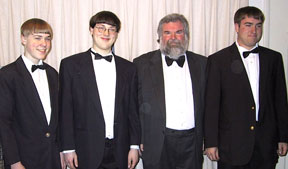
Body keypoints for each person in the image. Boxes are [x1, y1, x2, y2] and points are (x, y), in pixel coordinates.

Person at [204, 6, 288, 169]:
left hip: (265, 145)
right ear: (237, 27)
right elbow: (211, 105)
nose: (254, 30)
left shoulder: (274, 58)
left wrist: (283, 136)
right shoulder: (218, 60)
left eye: (258, 25)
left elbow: (280, 101)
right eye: (248, 25)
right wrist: (211, 142)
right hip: (231, 146)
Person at [59, 11, 141, 169]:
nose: (106, 33)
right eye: (101, 28)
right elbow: (66, 111)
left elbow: (133, 111)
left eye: (111, 29)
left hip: (120, 149)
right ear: (91, 30)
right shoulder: (70, 65)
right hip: (85, 148)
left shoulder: (129, 68)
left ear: (116, 33)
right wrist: (68, 148)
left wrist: (134, 146)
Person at [134, 13, 206, 169]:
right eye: (167, 32)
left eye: (178, 32)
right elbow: (135, 105)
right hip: (157, 141)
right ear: (159, 37)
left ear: (186, 36)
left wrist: (208, 139)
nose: (173, 37)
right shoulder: (141, 64)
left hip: (192, 142)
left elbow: (210, 105)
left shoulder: (203, 64)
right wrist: (138, 138)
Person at [0, 18, 64, 169]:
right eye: (37, 38)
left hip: (52, 157)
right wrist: (14, 161)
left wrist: (61, 151)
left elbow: (57, 119)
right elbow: (3, 123)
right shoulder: (7, 74)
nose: (44, 44)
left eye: (47, 39)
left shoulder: (53, 74)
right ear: (23, 39)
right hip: (23, 159)